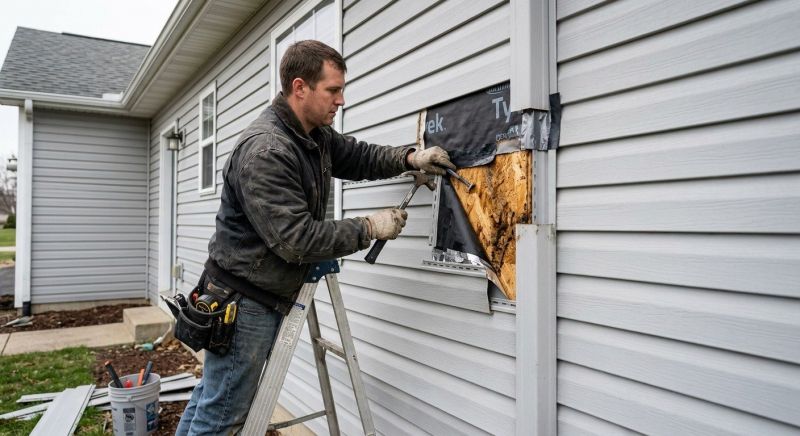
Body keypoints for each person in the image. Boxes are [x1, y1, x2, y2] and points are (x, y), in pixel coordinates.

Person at [176, 40, 455, 435]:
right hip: (244, 301)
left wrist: (410, 158)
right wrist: (369, 228)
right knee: (221, 417)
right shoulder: (267, 151)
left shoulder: (314, 133)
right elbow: (296, 240)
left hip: (252, 291)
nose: (341, 100)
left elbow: (356, 156)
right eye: (333, 90)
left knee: (212, 400)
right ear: (300, 87)